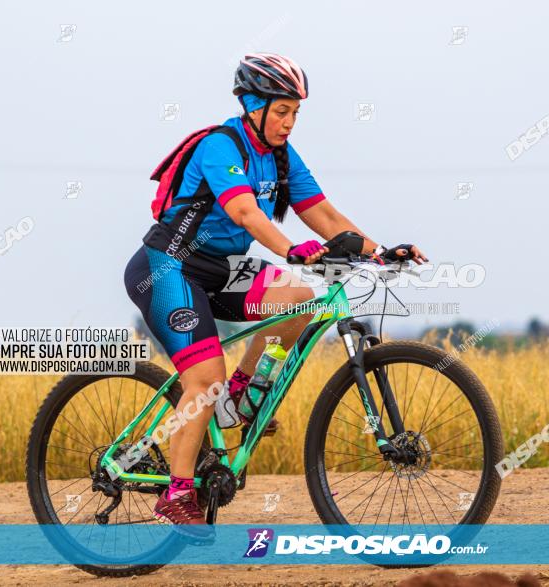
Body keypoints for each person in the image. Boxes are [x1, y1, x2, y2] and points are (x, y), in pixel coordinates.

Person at [123, 52, 427, 538]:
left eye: (295, 113)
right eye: (281, 111)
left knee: (297, 300)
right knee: (204, 379)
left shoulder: (281, 156)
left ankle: (242, 396)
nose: (289, 123)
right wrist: (292, 250)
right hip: (170, 266)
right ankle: (177, 493)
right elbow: (245, 213)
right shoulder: (222, 146)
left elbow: (323, 214)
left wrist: (381, 250)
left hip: (222, 268)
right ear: (251, 105)